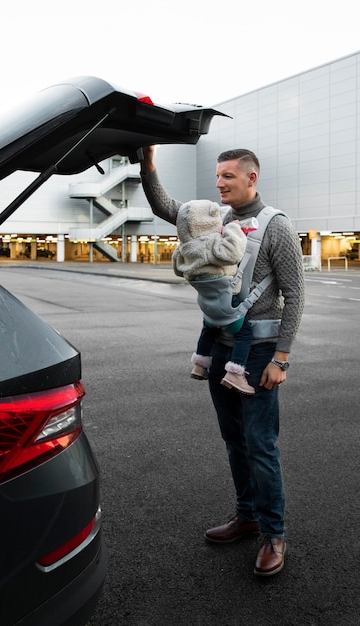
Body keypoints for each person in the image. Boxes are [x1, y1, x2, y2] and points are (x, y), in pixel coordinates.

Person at [140, 147, 305, 577]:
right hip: (221, 348)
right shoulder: (216, 221)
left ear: (251, 178)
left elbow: (295, 294)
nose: (219, 184)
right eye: (217, 176)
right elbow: (165, 207)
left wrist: (281, 359)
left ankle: (273, 533)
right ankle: (247, 515)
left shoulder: (277, 226)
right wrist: (147, 163)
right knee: (234, 440)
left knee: (261, 445)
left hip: (262, 352)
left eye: (228, 176)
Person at [172, 198, 257, 394]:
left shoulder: (185, 248)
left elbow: (178, 269)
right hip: (228, 301)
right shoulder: (213, 244)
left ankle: (200, 365)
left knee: (208, 329)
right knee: (244, 333)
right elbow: (234, 252)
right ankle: (236, 372)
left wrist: (184, 244)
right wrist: (232, 229)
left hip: (206, 304)